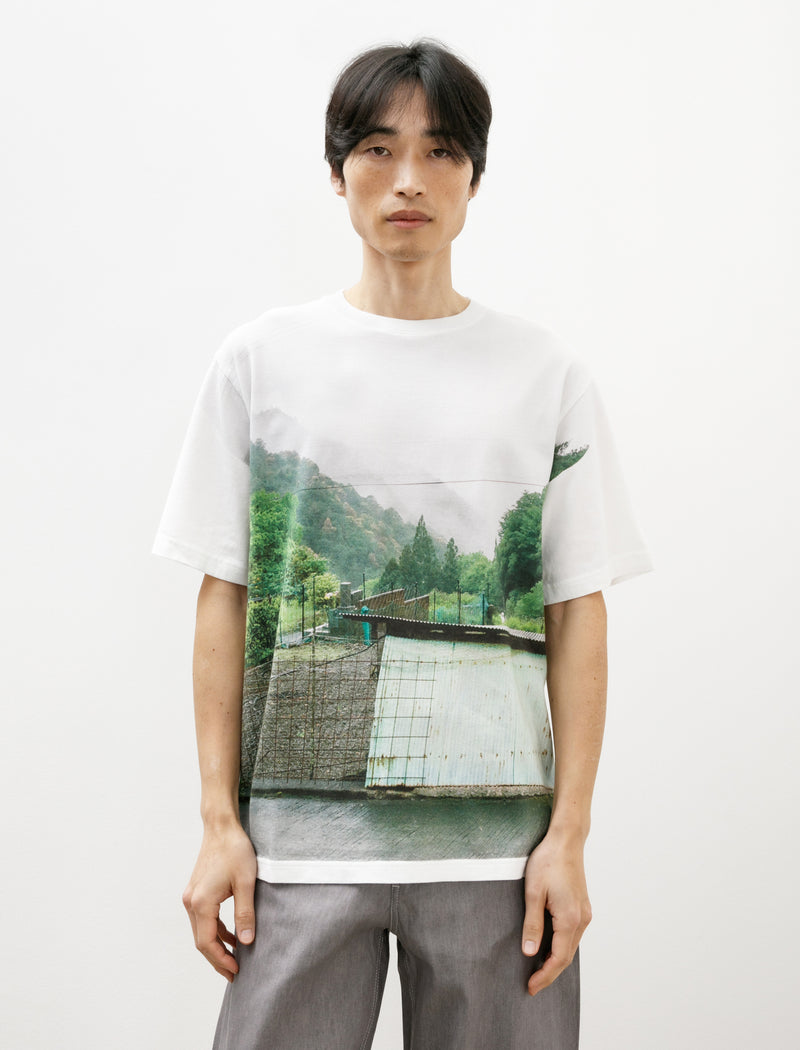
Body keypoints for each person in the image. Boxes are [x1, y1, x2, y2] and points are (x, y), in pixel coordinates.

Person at [153, 38, 651, 1050]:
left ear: (475, 176)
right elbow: (226, 597)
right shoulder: (259, 363)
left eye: (440, 151)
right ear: (337, 172)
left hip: (499, 866)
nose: (409, 180)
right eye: (378, 149)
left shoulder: (544, 374)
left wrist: (567, 837)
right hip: (297, 858)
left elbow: (576, 613)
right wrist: (219, 823)